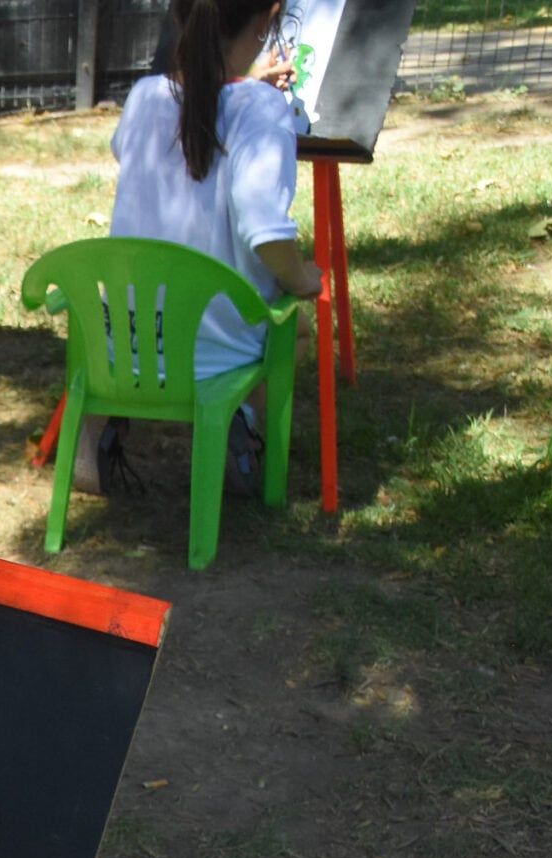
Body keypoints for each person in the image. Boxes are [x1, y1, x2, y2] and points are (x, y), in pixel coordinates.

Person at [87, 0, 321, 497]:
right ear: (265, 20)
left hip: (124, 345)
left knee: (128, 320)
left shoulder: (145, 96)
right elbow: (266, 231)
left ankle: (89, 448)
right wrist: (302, 280)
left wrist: (234, 92)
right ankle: (237, 427)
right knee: (297, 330)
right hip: (212, 353)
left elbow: (139, 142)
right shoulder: (264, 112)